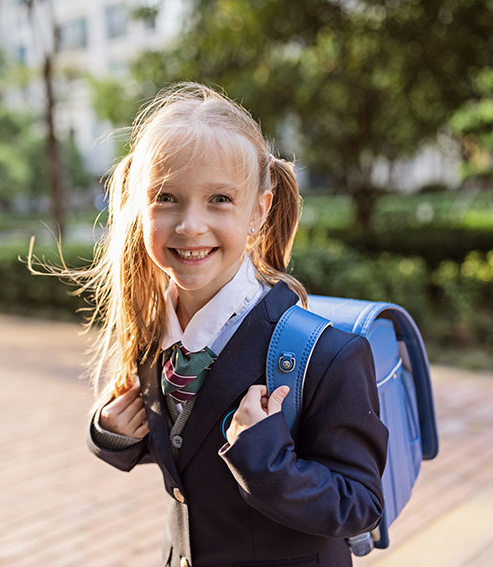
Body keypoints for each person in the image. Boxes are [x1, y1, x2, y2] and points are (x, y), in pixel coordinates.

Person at [49, 82, 388, 566]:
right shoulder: (152, 332)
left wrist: (263, 457)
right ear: (137, 206)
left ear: (259, 211)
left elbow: (361, 506)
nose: (190, 225)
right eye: (166, 197)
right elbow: (186, 448)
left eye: (220, 200)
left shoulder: (326, 355)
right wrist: (110, 433)